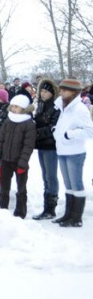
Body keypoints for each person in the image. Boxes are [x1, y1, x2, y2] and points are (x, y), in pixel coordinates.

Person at [51, 78, 93, 227]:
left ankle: (76, 218)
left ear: (74, 92)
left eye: (64, 89)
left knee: (76, 184)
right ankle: (68, 215)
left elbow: (90, 131)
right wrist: (56, 131)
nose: (61, 91)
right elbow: (62, 125)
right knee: (68, 185)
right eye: (61, 89)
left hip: (75, 152)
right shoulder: (63, 106)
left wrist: (70, 134)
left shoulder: (80, 108)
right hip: (62, 150)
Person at [0, 95, 36, 217]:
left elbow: (28, 146)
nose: (13, 108)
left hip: (20, 162)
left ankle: (20, 212)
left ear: (23, 108)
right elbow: (1, 140)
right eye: (12, 106)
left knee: (21, 189)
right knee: (4, 187)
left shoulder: (29, 124)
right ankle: (2, 209)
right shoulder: (8, 121)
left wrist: (23, 162)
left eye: (16, 106)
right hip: (6, 160)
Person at [32, 78, 61, 220]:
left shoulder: (56, 107)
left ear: (52, 93)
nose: (42, 94)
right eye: (41, 91)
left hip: (51, 146)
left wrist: (35, 133)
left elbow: (53, 128)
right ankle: (47, 207)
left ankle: (51, 208)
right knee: (45, 177)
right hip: (42, 145)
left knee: (51, 176)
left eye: (45, 91)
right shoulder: (41, 105)